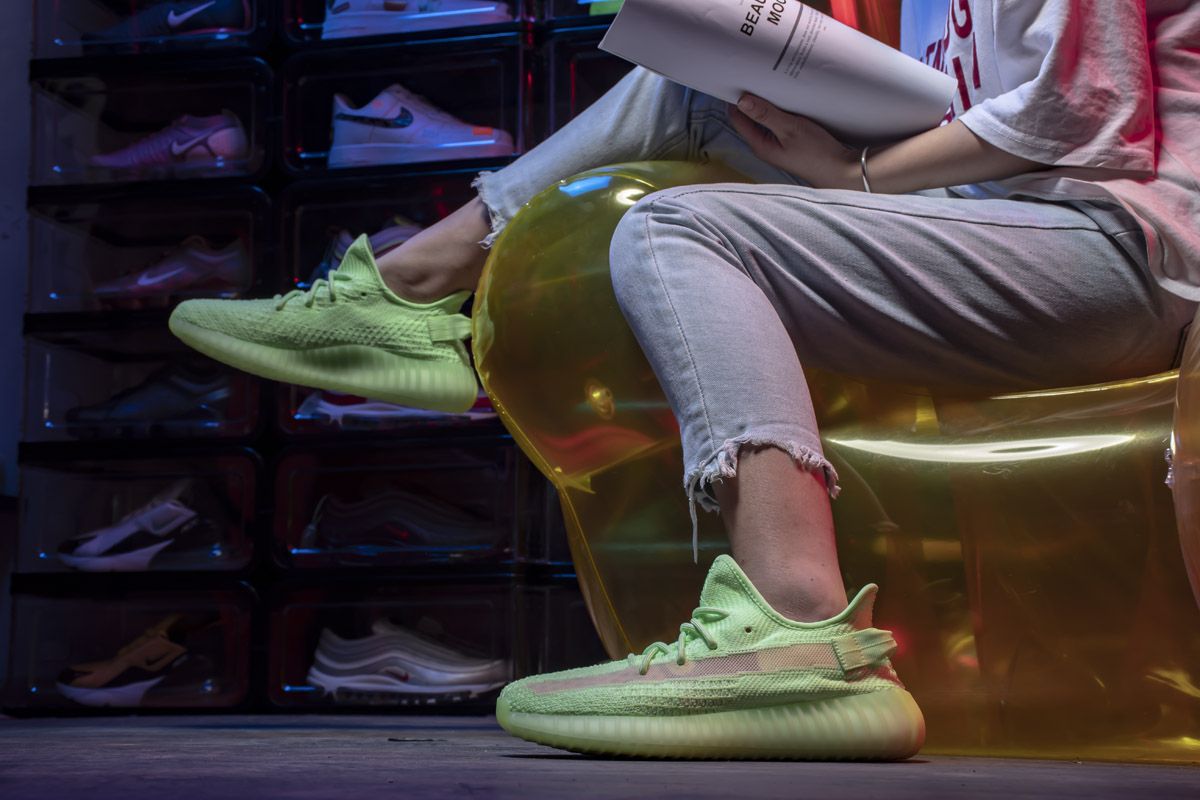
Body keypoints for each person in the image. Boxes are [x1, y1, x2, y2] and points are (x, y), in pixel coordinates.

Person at [168, 0, 1200, 759]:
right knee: (701, 86)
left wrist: (856, 176)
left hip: (1122, 248)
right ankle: (414, 294)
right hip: (1014, 216)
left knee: (677, 230)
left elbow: (1088, 112)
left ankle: (798, 627)